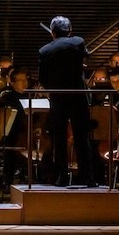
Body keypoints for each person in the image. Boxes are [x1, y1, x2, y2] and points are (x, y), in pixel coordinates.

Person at [39, 15, 94, 187]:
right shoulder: (78, 41)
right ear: (70, 31)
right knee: (81, 137)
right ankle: (88, 177)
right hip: (78, 97)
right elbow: (85, 55)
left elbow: (43, 78)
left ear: (52, 33)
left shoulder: (44, 51)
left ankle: (61, 177)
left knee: (59, 139)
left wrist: (53, 88)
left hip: (58, 98)